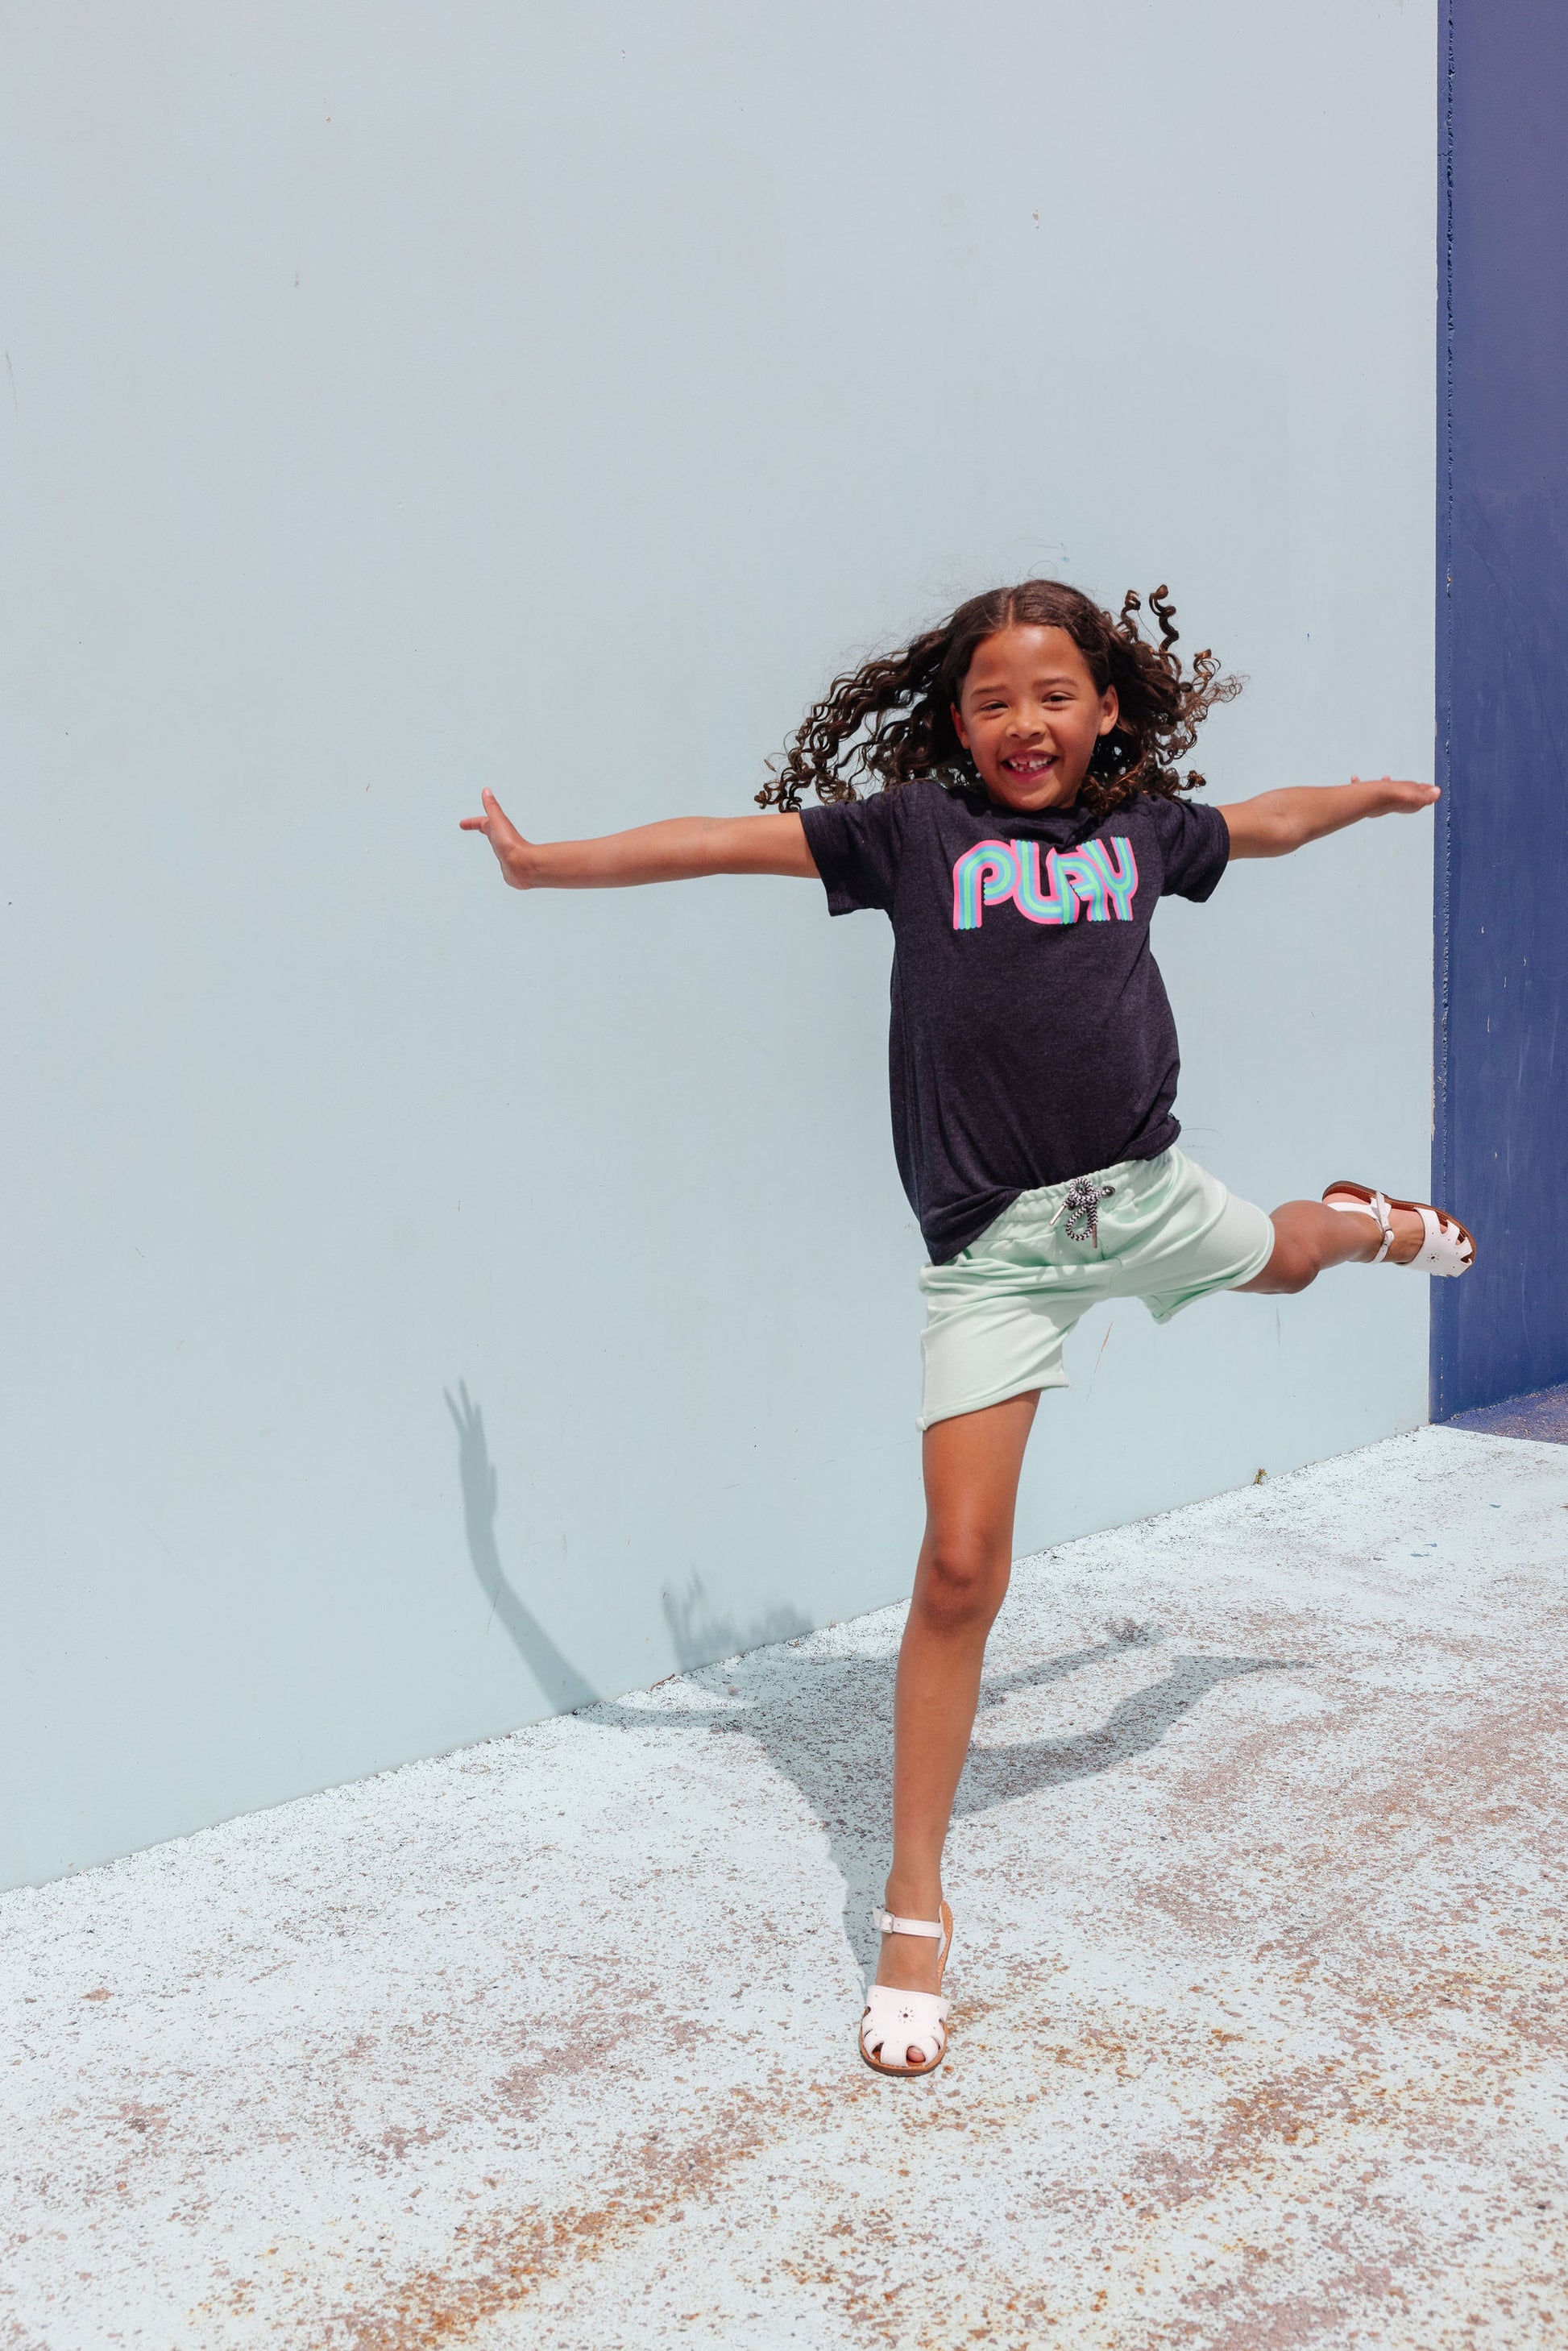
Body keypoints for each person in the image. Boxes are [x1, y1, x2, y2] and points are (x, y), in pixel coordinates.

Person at [461, 578, 1473, 2078]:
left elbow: (1265, 820)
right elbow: (719, 840)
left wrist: (1365, 800)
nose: (1025, 722)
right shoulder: (909, 835)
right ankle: (913, 1906)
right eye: (994, 699)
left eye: (1054, 695)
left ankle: (1366, 1220)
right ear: (956, 720)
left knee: (1284, 1261)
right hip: (995, 1256)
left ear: (1105, 709)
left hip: (1143, 1195)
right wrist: (544, 866)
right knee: (956, 1564)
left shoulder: (1143, 834)